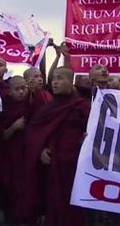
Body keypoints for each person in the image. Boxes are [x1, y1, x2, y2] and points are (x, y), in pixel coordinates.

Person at [25, 67, 90, 226]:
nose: (54, 82)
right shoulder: (49, 107)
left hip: (75, 163)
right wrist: (40, 150)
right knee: (54, 202)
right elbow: (35, 131)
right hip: (53, 163)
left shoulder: (82, 106)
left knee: (73, 205)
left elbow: (94, 131)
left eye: (60, 78)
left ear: (70, 81)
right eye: (53, 78)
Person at [0, 76, 31, 224]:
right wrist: (14, 127)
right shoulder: (3, 108)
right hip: (9, 156)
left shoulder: (33, 105)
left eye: (24, 88)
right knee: (10, 189)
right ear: (9, 92)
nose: (22, 92)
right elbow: (2, 135)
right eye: (17, 89)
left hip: (27, 154)